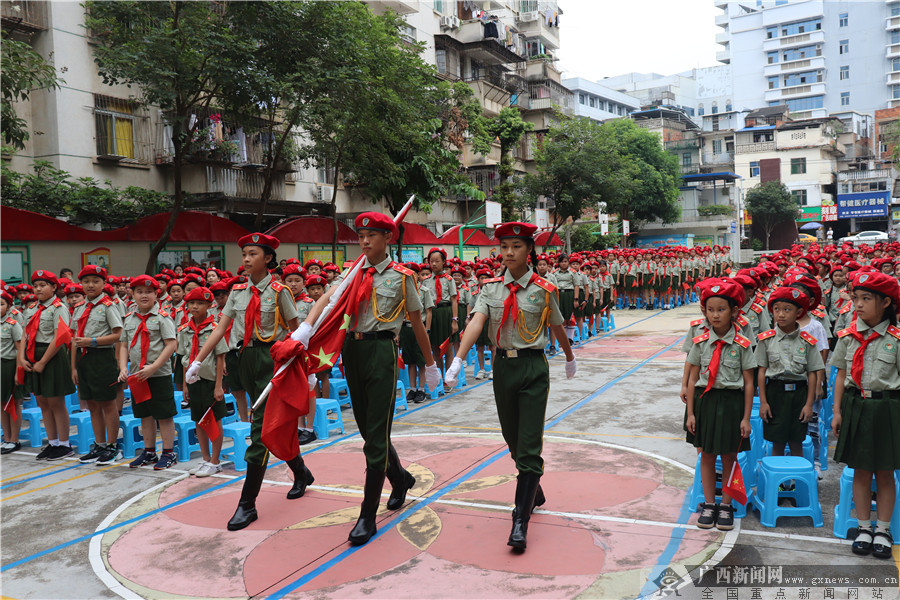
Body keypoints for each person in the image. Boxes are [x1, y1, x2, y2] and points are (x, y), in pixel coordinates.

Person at [296, 212, 441, 546]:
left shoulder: (403, 276)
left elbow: (416, 322)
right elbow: (326, 299)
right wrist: (306, 328)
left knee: (375, 436)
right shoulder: (351, 273)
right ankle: (400, 478)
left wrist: (430, 364)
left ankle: (367, 515)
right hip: (353, 351)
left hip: (381, 353)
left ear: (387, 238)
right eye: (361, 235)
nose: (364, 241)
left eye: (371, 235)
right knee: (367, 429)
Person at [444, 222, 577, 551]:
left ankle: (520, 519)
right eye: (504, 247)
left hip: (533, 366)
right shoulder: (489, 288)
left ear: (529, 250)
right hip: (502, 366)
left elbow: (557, 326)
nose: (508, 252)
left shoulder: (544, 289)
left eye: (516, 246)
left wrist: (570, 357)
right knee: (513, 439)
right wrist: (458, 360)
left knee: (529, 443)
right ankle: (535, 488)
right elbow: (476, 322)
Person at [186, 233, 312, 531]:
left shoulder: (280, 291)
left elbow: (296, 333)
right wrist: (197, 360)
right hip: (244, 360)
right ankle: (301, 472)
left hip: (272, 361)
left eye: (252, 254)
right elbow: (220, 330)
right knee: (271, 425)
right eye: (243, 254)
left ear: (268, 258)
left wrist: (302, 366)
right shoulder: (238, 292)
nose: (245, 259)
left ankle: (247, 504)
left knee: (260, 430)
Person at [831, 271, 900, 559]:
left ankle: (882, 529)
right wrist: (836, 411)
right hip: (855, 405)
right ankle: (863, 527)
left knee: (885, 472)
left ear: (885, 302)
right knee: (859, 471)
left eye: (866, 299)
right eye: (856, 298)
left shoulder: (895, 339)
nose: (858, 304)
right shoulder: (848, 337)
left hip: (886, 408)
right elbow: (840, 375)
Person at [685, 278, 754, 531]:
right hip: (705, 402)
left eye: (721, 309)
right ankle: (709, 503)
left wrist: (746, 418)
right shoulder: (700, 342)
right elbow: (693, 379)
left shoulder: (742, 344)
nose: (715, 315)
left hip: (731, 403)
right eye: (710, 309)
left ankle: (726, 505)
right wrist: (690, 413)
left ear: (734, 311)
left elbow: (748, 384)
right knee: (706, 455)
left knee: (729, 457)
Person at [756, 287, 824, 459]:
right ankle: (779, 485)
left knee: (796, 442)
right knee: (777, 442)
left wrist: (809, 405)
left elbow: (812, 373)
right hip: (775, 394)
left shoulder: (807, 341)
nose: (781, 314)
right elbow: (761, 372)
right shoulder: (766, 340)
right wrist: (763, 402)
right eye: (776, 309)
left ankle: (794, 483)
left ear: (799, 312)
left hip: (799, 394)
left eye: (787, 310)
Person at [118, 276, 179, 470]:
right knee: (145, 414)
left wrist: (153, 367)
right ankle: (150, 451)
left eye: (148, 292)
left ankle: (168, 452)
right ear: (133, 294)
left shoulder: (162, 317)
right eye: (139, 292)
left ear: (156, 294)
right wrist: (123, 367)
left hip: (158, 373)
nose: (144, 295)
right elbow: (123, 345)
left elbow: (171, 344)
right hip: (138, 375)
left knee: (164, 414)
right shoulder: (129, 318)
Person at [71, 265, 124, 465]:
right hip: (83, 359)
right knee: (92, 404)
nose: (90, 285)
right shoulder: (79, 307)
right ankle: (100, 444)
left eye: (95, 281)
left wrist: (93, 341)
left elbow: (119, 334)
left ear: (104, 283)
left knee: (107, 404)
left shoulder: (108, 306)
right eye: (86, 281)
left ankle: (112, 446)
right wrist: (73, 368)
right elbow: (73, 338)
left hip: (102, 357)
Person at [22, 270, 76, 460]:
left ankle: (64, 443)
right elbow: (25, 335)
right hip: (32, 355)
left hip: (51, 357)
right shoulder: (31, 309)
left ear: (54, 287)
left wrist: (43, 362)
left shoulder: (58, 308)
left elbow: (60, 337)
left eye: (43, 285)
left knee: (56, 402)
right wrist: (22, 359)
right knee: (42, 401)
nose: (38, 289)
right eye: (35, 285)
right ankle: (52, 442)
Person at [178, 286, 227, 477]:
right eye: (191, 303)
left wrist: (218, 386)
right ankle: (205, 459)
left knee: (214, 420)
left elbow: (221, 358)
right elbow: (184, 359)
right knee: (198, 419)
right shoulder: (184, 330)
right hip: (193, 381)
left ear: (209, 305)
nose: (195, 306)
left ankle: (215, 460)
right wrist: (184, 385)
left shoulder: (215, 329)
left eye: (200, 303)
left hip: (210, 381)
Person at [400, 263, 434, 404]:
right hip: (406, 328)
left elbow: (429, 311)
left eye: (414, 273)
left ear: (419, 276)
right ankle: (412, 389)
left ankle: (421, 389)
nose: (411, 276)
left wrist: (427, 329)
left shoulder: (424, 291)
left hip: (420, 329)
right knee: (410, 360)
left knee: (421, 361)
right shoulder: (402, 291)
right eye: (408, 273)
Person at [422, 248, 458, 374]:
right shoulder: (425, 281)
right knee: (435, 348)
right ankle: (439, 379)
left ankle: (448, 378)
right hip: (432, 314)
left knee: (447, 348)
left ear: (443, 262)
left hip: (446, 313)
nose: (434, 264)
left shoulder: (449, 280)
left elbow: (454, 300)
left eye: (437, 261)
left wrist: (454, 320)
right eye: (431, 261)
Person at [1, 291, 24, 454]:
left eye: (1, 304)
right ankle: (6, 437)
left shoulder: (12, 324)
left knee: (13, 403)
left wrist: (18, 372)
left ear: (9, 306)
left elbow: (19, 349)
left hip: (10, 365)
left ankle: (15, 439)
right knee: (1, 404)